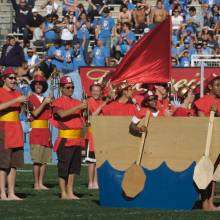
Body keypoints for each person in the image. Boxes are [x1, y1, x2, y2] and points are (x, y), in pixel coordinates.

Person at [52, 76, 87, 199]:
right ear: (62, 88)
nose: (71, 89)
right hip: (66, 139)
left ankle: (70, 191)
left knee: (74, 168)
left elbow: (82, 119)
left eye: (72, 87)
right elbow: (61, 114)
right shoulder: (57, 102)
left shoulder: (77, 102)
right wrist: (78, 107)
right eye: (68, 87)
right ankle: (63, 193)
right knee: (64, 167)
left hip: (77, 139)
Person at [0, 67, 27, 200]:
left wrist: (24, 104)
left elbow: (20, 112)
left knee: (14, 164)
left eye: (14, 78)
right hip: (4, 128)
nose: (13, 80)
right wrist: (16, 101)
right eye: (10, 78)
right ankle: (2, 193)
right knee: (3, 163)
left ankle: (11, 193)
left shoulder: (17, 93)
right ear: (4, 79)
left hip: (16, 129)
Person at [194, 76, 220, 211]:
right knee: (206, 171)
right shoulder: (202, 101)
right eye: (217, 85)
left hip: (218, 141)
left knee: (214, 173)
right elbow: (201, 122)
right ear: (210, 87)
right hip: (205, 142)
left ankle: (210, 203)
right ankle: (205, 203)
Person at [28, 75, 53, 190]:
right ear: (33, 86)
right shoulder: (30, 98)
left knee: (44, 160)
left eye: (41, 84)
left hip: (45, 131)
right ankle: (36, 183)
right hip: (36, 131)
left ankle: (41, 183)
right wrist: (45, 103)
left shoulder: (46, 99)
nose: (38, 85)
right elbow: (35, 114)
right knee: (37, 160)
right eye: (36, 84)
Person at [85, 83, 105, 189]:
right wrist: (103, 105)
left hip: (101, 134)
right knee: (91, 161)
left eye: (98, 90)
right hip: (92, 134)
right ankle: (90, 182)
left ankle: (96, 182)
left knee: (98, 160)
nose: (96, 92)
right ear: (90, 91)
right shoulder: (89, 101)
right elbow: (93, 116)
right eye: (94, 90)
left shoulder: (101, 101)